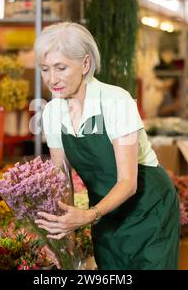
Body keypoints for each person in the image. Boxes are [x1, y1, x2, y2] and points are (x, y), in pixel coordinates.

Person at [34, 22, 180, 270]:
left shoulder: (116, 102)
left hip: (148, 207)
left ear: (86, 64)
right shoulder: (51, 112)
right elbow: (62, 179)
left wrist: (89, 215)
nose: (52, 79)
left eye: (61, 68)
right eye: (45, 69)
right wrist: (66, 229)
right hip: (105, 211)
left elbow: (128, 182)